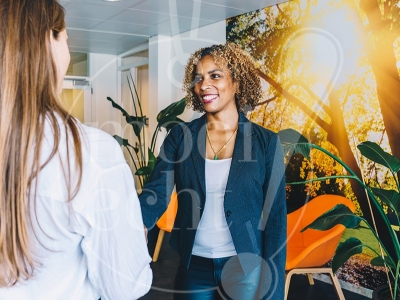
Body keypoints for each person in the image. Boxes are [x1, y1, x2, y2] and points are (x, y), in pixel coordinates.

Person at [0, 0, 152, 299]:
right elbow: (124, 286)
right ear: (49, 41)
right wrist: (134, 240)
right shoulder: (90, 153)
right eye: (66, 40)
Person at [139, 43, 287, 299]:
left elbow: (275, 219)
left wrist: (273, 289)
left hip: (245, 266)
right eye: (198, 78)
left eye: (214, 75)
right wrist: (137, 223)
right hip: (193, 265)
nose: (204, 85)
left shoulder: (265, 143)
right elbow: (157, 191)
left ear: (237, 82)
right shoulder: (180, 136)